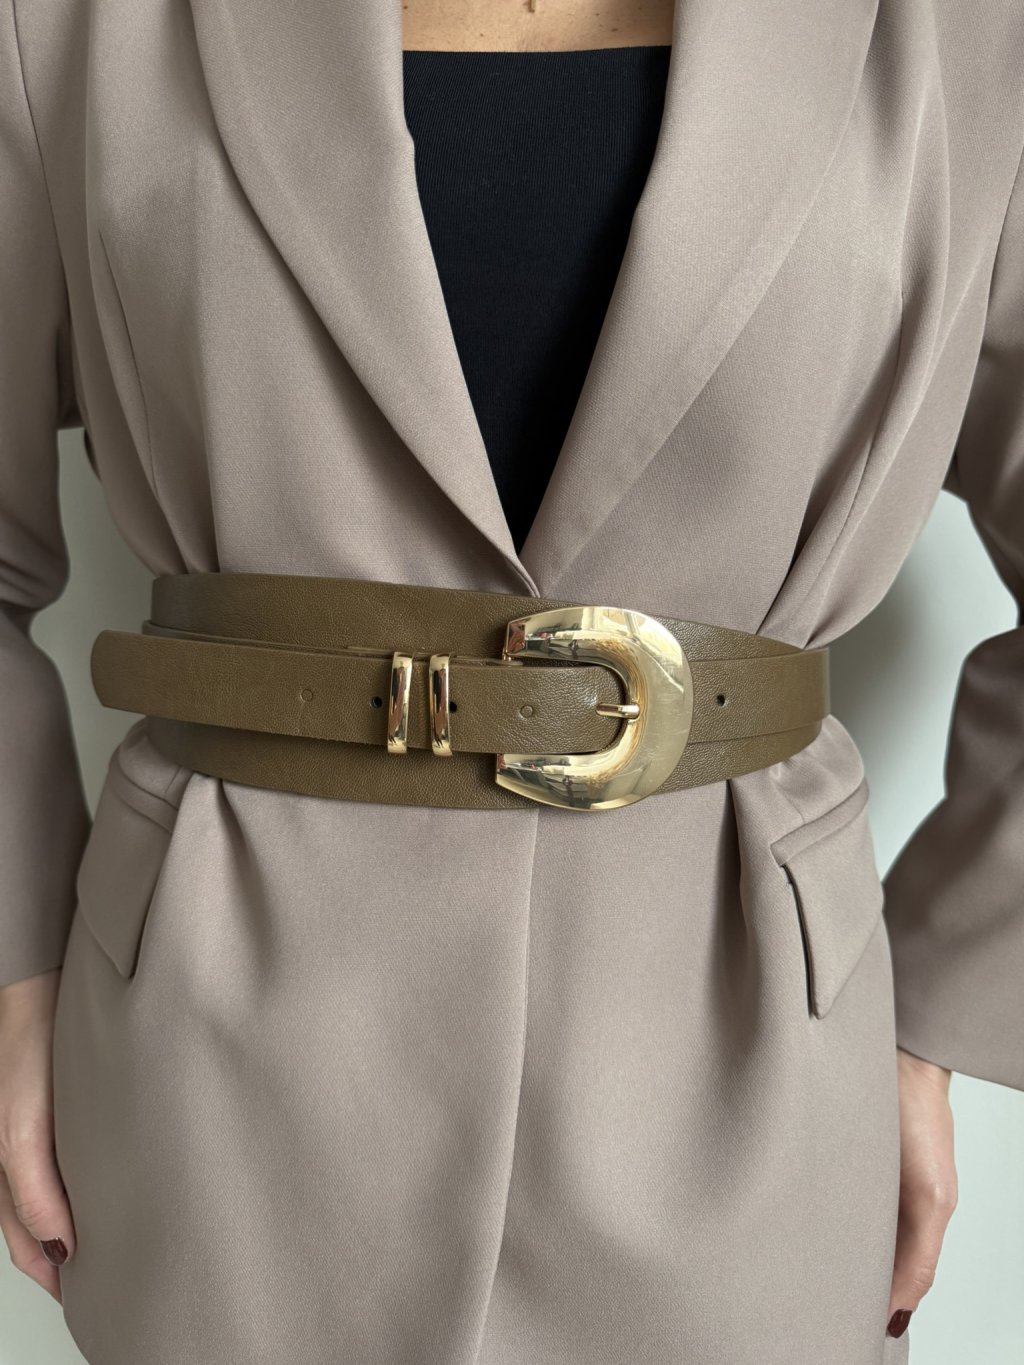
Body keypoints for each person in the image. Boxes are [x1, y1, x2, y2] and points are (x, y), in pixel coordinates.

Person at [0, 1, 1021, 1361]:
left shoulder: (970, 36)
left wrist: (943, 1007)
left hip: (746, 1080)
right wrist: (14, 963)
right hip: (218, 1077)